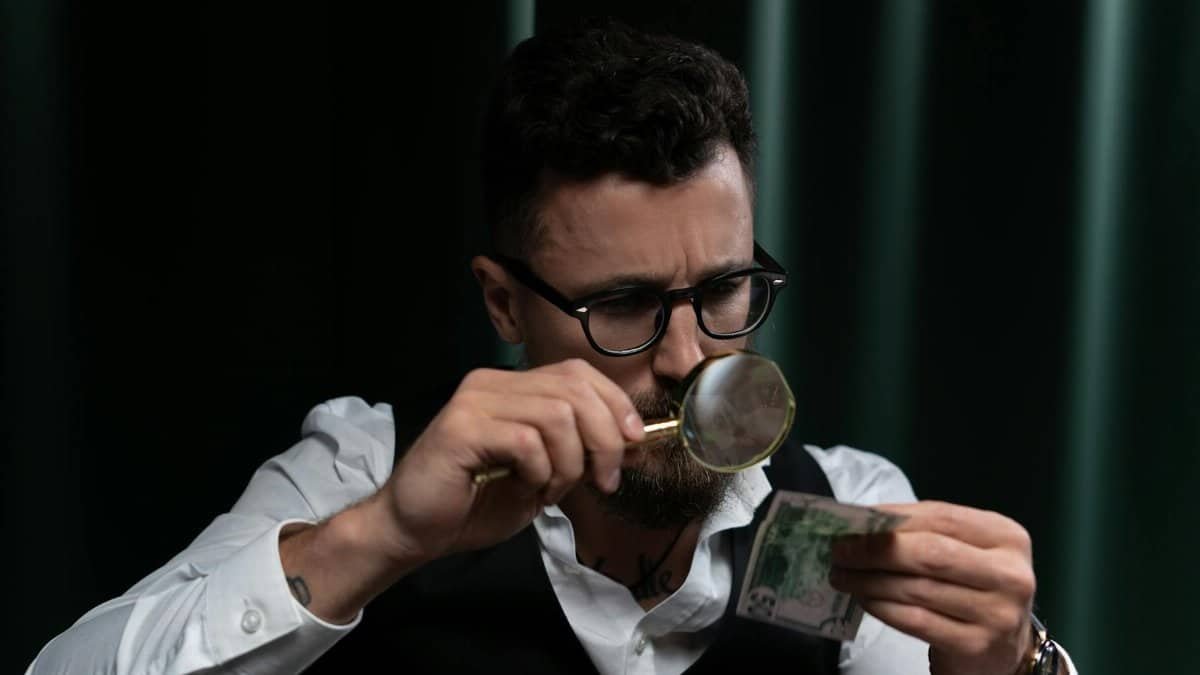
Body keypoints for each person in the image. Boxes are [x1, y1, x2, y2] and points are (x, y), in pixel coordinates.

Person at [27, 19, 1075, 675]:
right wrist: (383, 539)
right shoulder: (363, 471)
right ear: (501, 303)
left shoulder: (824, 523)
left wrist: (1008, 668)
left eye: (722, 290)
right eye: (623, 306)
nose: (685, 360)